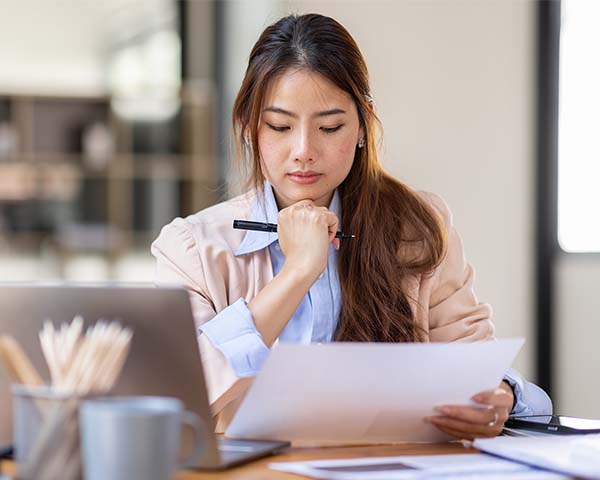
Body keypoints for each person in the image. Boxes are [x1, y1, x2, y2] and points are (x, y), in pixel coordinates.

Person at [152, 13, 552, 439]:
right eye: (280, 126)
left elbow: (475, 362)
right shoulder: (191, 247)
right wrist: (298, 272)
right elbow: (181, 396)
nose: (303, 151)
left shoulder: (420, 227)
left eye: (330, 127)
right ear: (250, 127)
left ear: (362, 125)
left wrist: (500, 395)